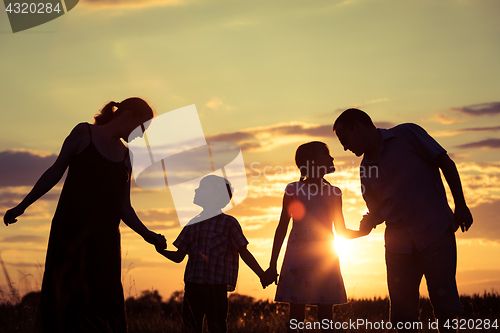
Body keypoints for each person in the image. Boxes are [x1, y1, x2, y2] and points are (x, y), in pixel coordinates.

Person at [3, 97, 167, 332]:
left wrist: (148, 235)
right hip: (70, 231)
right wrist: (22, 206)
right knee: (66, 299)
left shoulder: (127, 156)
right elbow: (55, 171)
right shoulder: (84, 133)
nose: (141, 136)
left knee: (104, 301)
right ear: (128, 116)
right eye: (141, 128)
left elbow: (124, 207)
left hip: (106, 241)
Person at [333, 108, 473, 333]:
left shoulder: (408, 134)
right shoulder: (365, 169)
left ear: (358, 127)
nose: (345, 147)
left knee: (446, 307)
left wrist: (461, 205)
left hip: (436, 233)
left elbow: (445, 162)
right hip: (398, 247)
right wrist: (368, 223)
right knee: (402, 316)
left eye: (344, 139)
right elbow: (378, 211)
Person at [262, 141, 370, 333]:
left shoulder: (334, 193)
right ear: (311, 161)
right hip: (298, 261)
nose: (332, 158)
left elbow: (342, 232)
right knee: (296, 314)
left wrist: (363, 231)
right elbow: (282, 228)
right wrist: (272, 264)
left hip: (325, 261)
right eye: (326, 154)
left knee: (325, 313)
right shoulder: (293, 190)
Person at [156, 175, 266, 333]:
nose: (196, 190)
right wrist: (161, 250)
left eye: (202, 188)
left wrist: (261, 274)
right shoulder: (192, 224)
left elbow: (244, 252)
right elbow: (178, 256)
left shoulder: (229, 223)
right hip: (192, 288)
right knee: (190, 328)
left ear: (216, 196)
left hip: (216, 289)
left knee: (217, 328)